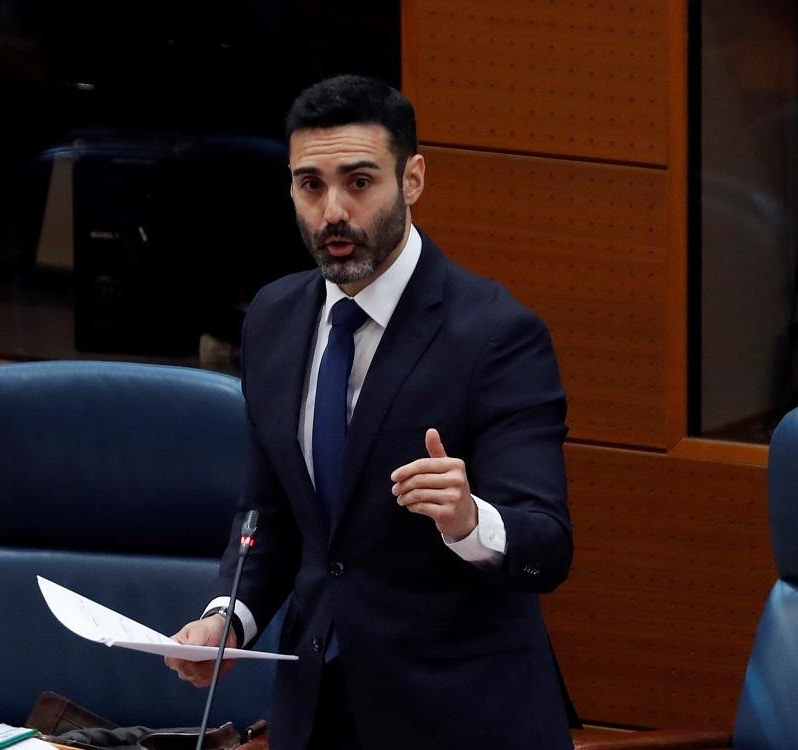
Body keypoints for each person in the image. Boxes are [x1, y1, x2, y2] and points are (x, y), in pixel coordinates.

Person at [165, 74, 574, 750]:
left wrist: (471, 520)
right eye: (311, 185)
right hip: (314, 712)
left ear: (412, 179)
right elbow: (268, 511)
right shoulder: (274, 318)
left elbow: (547, 545)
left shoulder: (497, 335)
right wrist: (227, 619)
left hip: (459, 718)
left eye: (359, 182)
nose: (332, 212)